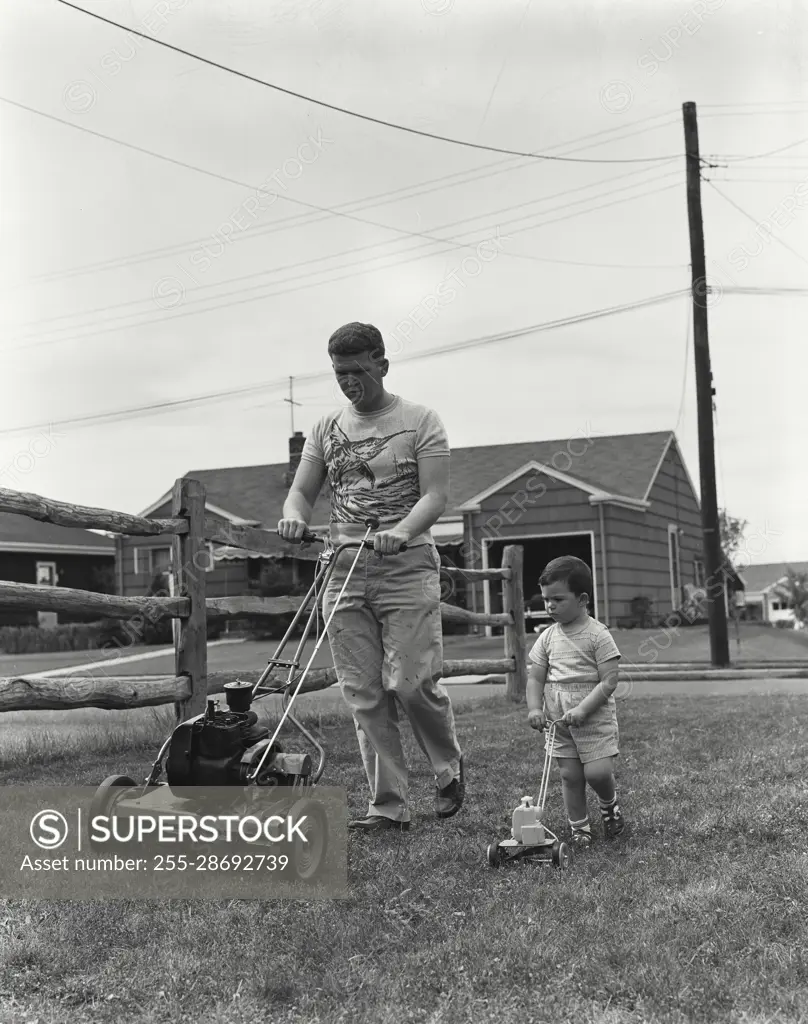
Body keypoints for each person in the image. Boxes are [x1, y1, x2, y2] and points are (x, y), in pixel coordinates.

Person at [277, 321, 464, 832]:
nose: (348, 382)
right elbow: (301, 492)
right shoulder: (325, 429)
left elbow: (435, 496)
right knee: (363, 692)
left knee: (409, 682)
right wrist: (294, 514)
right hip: (342, 571)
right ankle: (388, 806)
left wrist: (401, 531)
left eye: (357, 370)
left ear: (382, 362)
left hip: (406, 567)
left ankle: (447, 765)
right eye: (340, 373)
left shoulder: (422, 421)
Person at [525, 555, 626, 848]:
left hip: (593, 719)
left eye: (558, 599)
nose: (549, 606)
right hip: (560, 723)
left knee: (596, 773)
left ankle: (609, 804)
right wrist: (534, 707)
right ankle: (579, 828)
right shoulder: (546, 638)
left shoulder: (598, 635)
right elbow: (535, 678)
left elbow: (609, 680)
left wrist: (583, 709)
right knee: (569, 776)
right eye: (546, 600)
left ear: (582, 599)